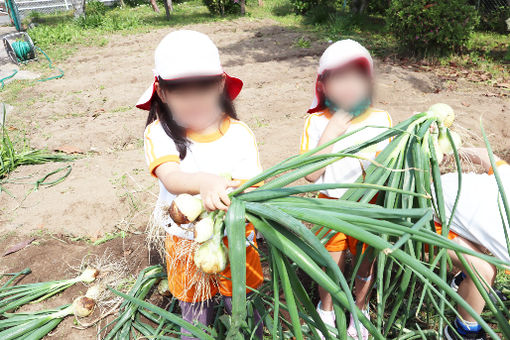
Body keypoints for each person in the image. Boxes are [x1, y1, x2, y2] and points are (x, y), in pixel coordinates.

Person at [137, 30, 264, 340]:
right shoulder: (160, 133)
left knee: (245, 309)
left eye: (204, 86)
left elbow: (252, 188)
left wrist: (233, 194)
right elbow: (170, 176)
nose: (193, 99)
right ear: (162, 93)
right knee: (194, 315)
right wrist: (205, 182)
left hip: (236, 238)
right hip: (184, 242)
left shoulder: (239, 134)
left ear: (220, 85)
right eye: (181, 89)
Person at [299, 39, 392, 340]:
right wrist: (331, 132)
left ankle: (360, 308)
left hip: (368, 207)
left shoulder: (381, 120)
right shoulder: (316, 122)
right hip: (329, 205)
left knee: (366, 262)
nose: (349, 85)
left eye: (357, 77)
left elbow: (390, 171)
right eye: (339, 78)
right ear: (323, 85)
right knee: (329, 262)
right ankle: (326, 310)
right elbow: (311, 175)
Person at [434, 147, 510, 340]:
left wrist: (455, 152)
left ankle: (463, 282)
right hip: (428, 217)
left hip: (447, 201)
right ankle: (463, 331)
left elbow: (488, 156)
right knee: (484, 270)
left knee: (485, 242)